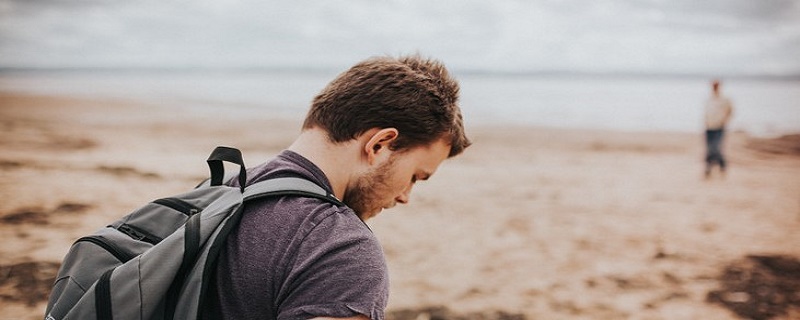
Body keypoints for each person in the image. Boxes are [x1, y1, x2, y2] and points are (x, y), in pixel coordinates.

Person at [206, 55, 471, 319]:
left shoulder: (216, 192)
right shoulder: (342, 248)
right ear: (379, 145)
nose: (405, 197)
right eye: (415, 176)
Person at [703, 79, 734, 178]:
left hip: (719, 127)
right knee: (709, 149)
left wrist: (724, 121)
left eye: (716, 86)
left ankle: (721, 166)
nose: (714, 87)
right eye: (713, 86)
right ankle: (708, 169)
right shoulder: (709, 99)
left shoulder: (724, 99)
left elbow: (730, 111)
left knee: (716, 148)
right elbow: (706, 112)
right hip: (709, 127)